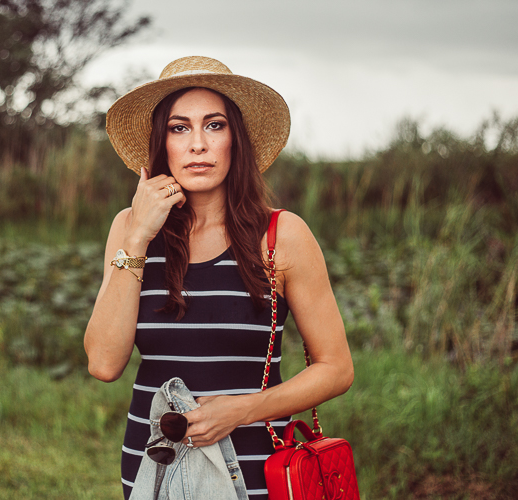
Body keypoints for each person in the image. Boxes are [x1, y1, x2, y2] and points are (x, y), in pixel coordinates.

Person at [84, 56, 354, 500]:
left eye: (214, 126)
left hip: (253, 474)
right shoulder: (129, 228)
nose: (197, 145)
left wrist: (241, 410)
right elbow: (104, 363)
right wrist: (136, 238)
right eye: (179, 128)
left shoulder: (281, 236)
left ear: (236, 140)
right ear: (161, 143)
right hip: (153, 470)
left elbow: (336, 369)